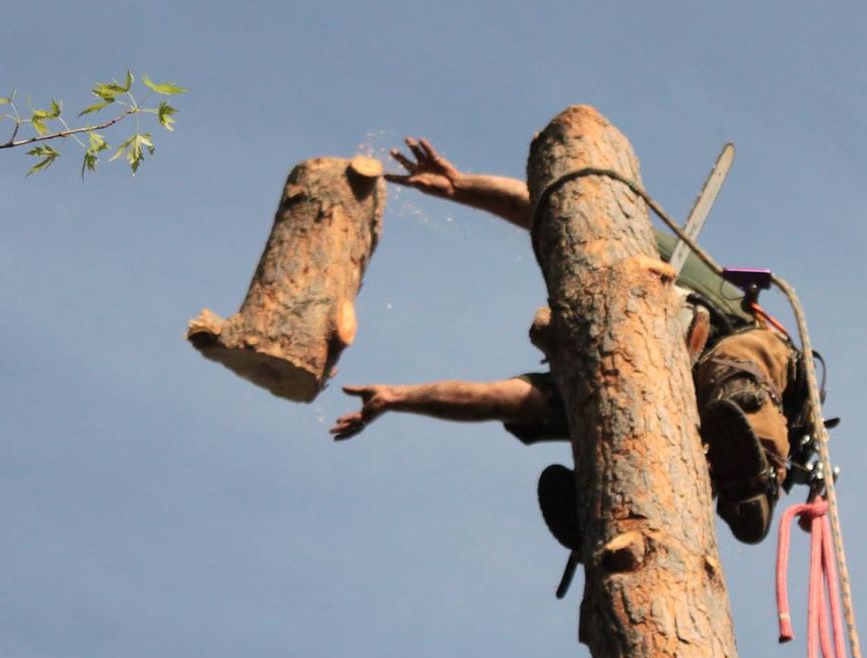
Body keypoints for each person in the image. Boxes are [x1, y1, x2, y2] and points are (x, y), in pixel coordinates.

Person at [330, 138, 799, 545]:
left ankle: (751, 484)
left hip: (743, 357)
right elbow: (498, 399)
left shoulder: (640, 252)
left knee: (735, 369)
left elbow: (549, 210)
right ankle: (604, 510)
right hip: (661, 399)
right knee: (611, 423)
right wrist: (397, 398)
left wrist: (460, 186)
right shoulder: (597, 366)